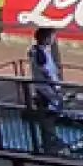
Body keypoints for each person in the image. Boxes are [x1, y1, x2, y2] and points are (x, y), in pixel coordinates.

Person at [27, 27, 63, 155]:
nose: (54, 39)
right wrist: (55, 87)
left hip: (46, 89)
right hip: (47, 91)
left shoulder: (37, 50)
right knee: (48, 116)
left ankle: (51, 141)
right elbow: (46, 72)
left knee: (50, 116)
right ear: (46, 38)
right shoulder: (40, 53)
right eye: (52, 37)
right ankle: (49, 144)